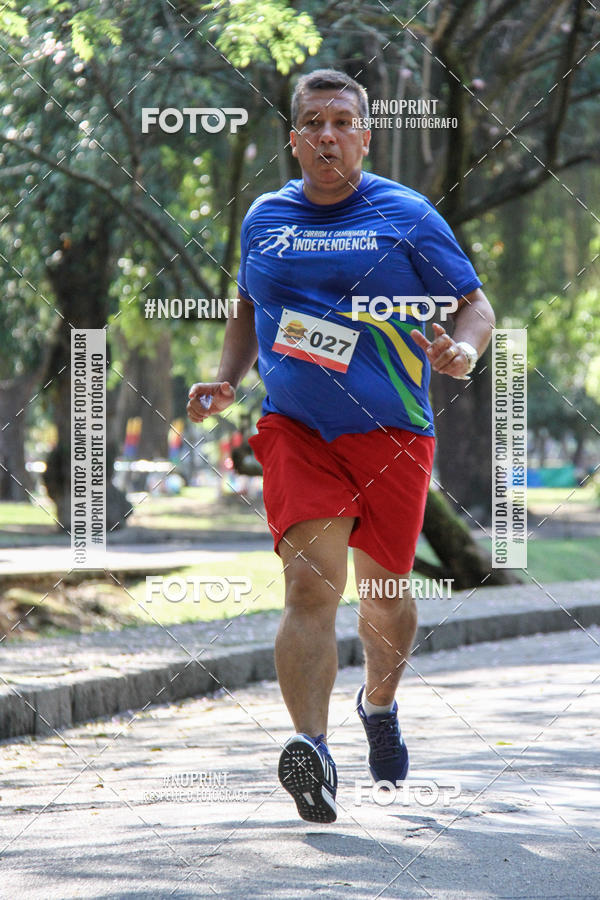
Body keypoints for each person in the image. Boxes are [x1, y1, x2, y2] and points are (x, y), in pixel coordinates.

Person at [187, 69, 495, 824]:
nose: (327, 134)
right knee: (310, 587)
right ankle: (312, 750)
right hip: (296, 430)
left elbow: (474, 304)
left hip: (392, 435)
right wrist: (228, 380)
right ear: (293, 139)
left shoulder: (407, 213)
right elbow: (248, 306)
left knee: (386, 601)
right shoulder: (264, 217)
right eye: (312, 122)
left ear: (365, 136)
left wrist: (462, 351)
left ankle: (378, 704)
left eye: (341, 122)